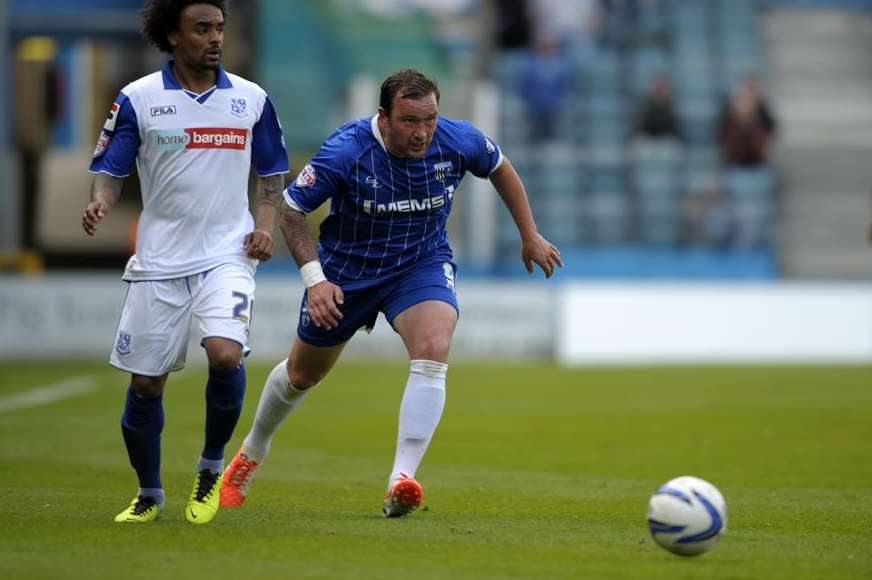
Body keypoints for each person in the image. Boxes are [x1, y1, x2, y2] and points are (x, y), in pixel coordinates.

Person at [220, 69, 562, 517]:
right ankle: (250, 453)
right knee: (303, 375)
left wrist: (529, 233)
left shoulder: (457, 140)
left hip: (419, 264)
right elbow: (291, 211)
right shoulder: (346, 151)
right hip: (346, 273)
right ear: (383, 116)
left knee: (434, 345)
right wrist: (315, 280)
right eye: (409, 121)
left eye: (430, 120)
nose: (422, 133)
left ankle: (402, 479)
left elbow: (500, 167)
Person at [82, 0, 288, 524]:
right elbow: (111, 168)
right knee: (147, 384)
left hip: (229, 252)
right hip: (159, 259)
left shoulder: (251, 100)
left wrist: (264, 227)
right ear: (172, 37)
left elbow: (270, 178)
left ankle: (210, 467)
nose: (215, 38)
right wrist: (102, 199)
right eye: (202, 29)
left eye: (219, 27)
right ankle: (149, 492)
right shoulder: (139, 99)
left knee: (224, 353)